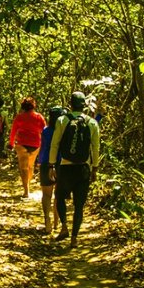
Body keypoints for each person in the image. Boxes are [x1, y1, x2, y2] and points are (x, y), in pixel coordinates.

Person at [47, 91, 100, 248]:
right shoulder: (92, 123)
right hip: (83, 168)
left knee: (60, 197)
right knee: (79, 205)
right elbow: (95, 147)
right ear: (84, 105)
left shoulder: (62, 120)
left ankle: (64, 227)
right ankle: (74, 238)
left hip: (65, 166)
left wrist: (51, 165)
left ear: (70, 104)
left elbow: (55, 143)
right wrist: (95, 168)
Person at [8, 97, 46, 199]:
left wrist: (11, 143)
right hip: (35, 145)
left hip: (21, 144)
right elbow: (45, 132)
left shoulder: (19, 117)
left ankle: (26, 191)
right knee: (30, 166)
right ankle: (27, 187)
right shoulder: (39, 117)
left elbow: (13, 131)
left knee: (23, 168)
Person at [37, 106, 65, 233]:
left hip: (45, 164)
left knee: (46, 194)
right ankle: (56, 222)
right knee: (58, 195)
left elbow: (42, 147)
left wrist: (39, 161)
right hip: (61, 164)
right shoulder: (64, 131)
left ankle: (47, 221)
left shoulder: (46, 131)